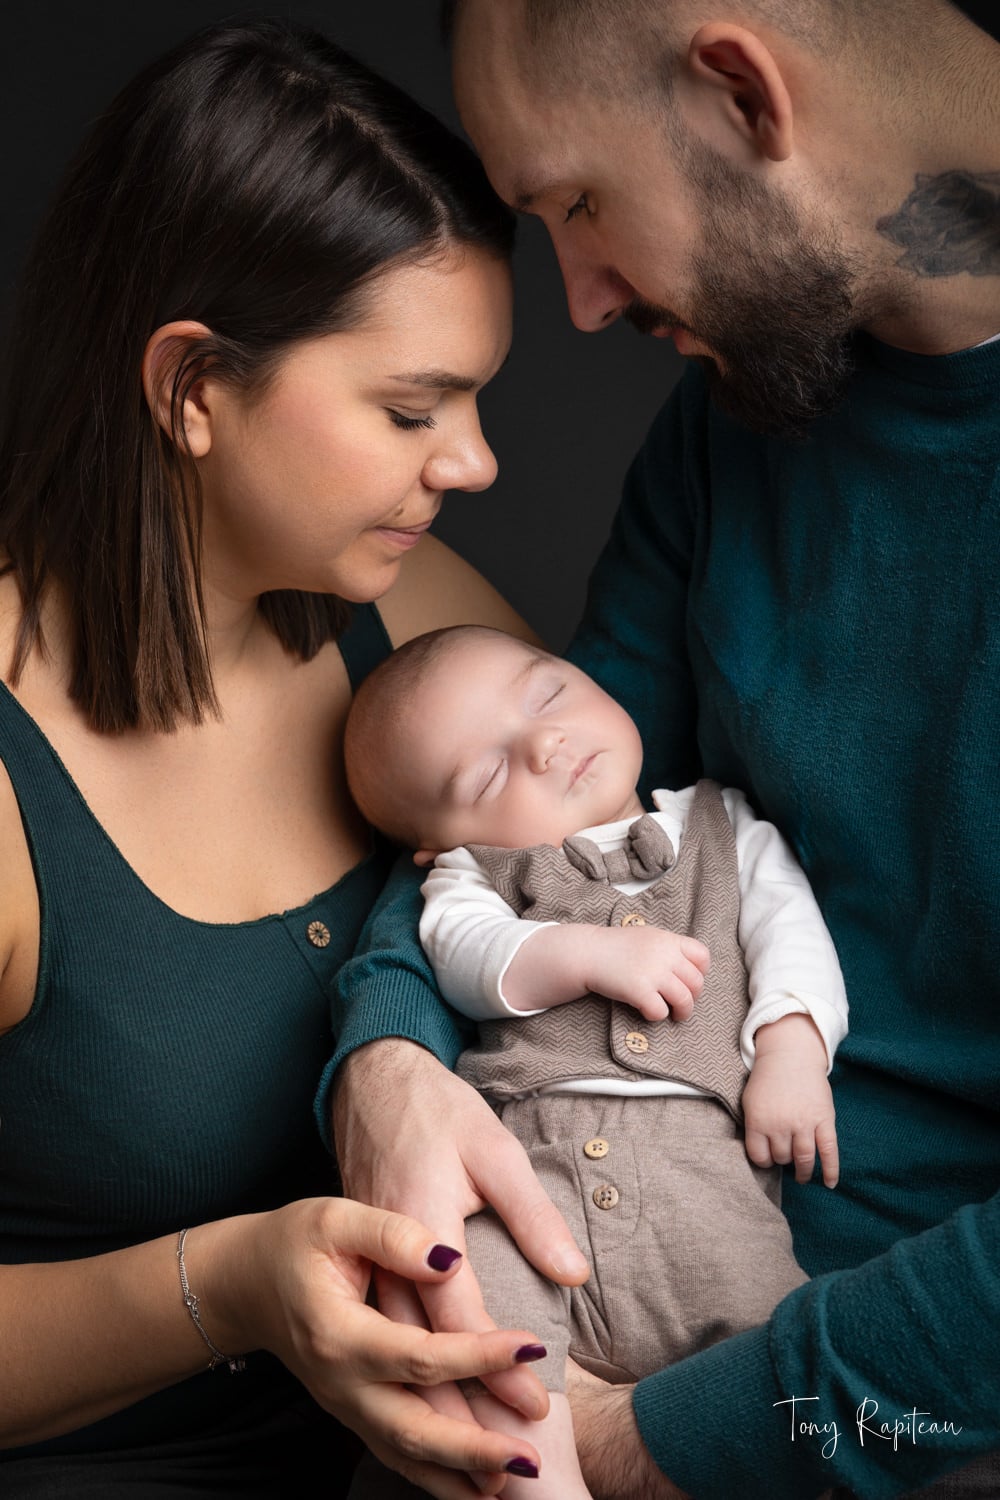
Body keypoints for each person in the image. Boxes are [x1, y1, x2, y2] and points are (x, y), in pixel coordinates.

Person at [326, 1, 1000, 1496]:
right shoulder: (738, 424)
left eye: (578, 202)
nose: (576, 300)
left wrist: (644, 1447)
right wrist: (384, 1057)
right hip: (569, 1293)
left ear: (740, 97)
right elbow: (529, 790)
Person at [0, 17, 600, 1497]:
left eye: (474, 399)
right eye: (412, 409)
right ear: (194, 385)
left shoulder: (426, 629)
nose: (472, 464)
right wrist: (237, 1285)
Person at [342, 621, 847, 1498]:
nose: (544, 744)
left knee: (783, 1357)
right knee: (478, 1322)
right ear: (436, 841)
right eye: (488, 773)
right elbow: (464, 953)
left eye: (548, 694)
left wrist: (793, 1050)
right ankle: (544, 1484)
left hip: (709, 1187)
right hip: (532, 1183)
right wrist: (578, 952)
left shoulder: (725, 827)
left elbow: (793, 942)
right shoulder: (470, 874)